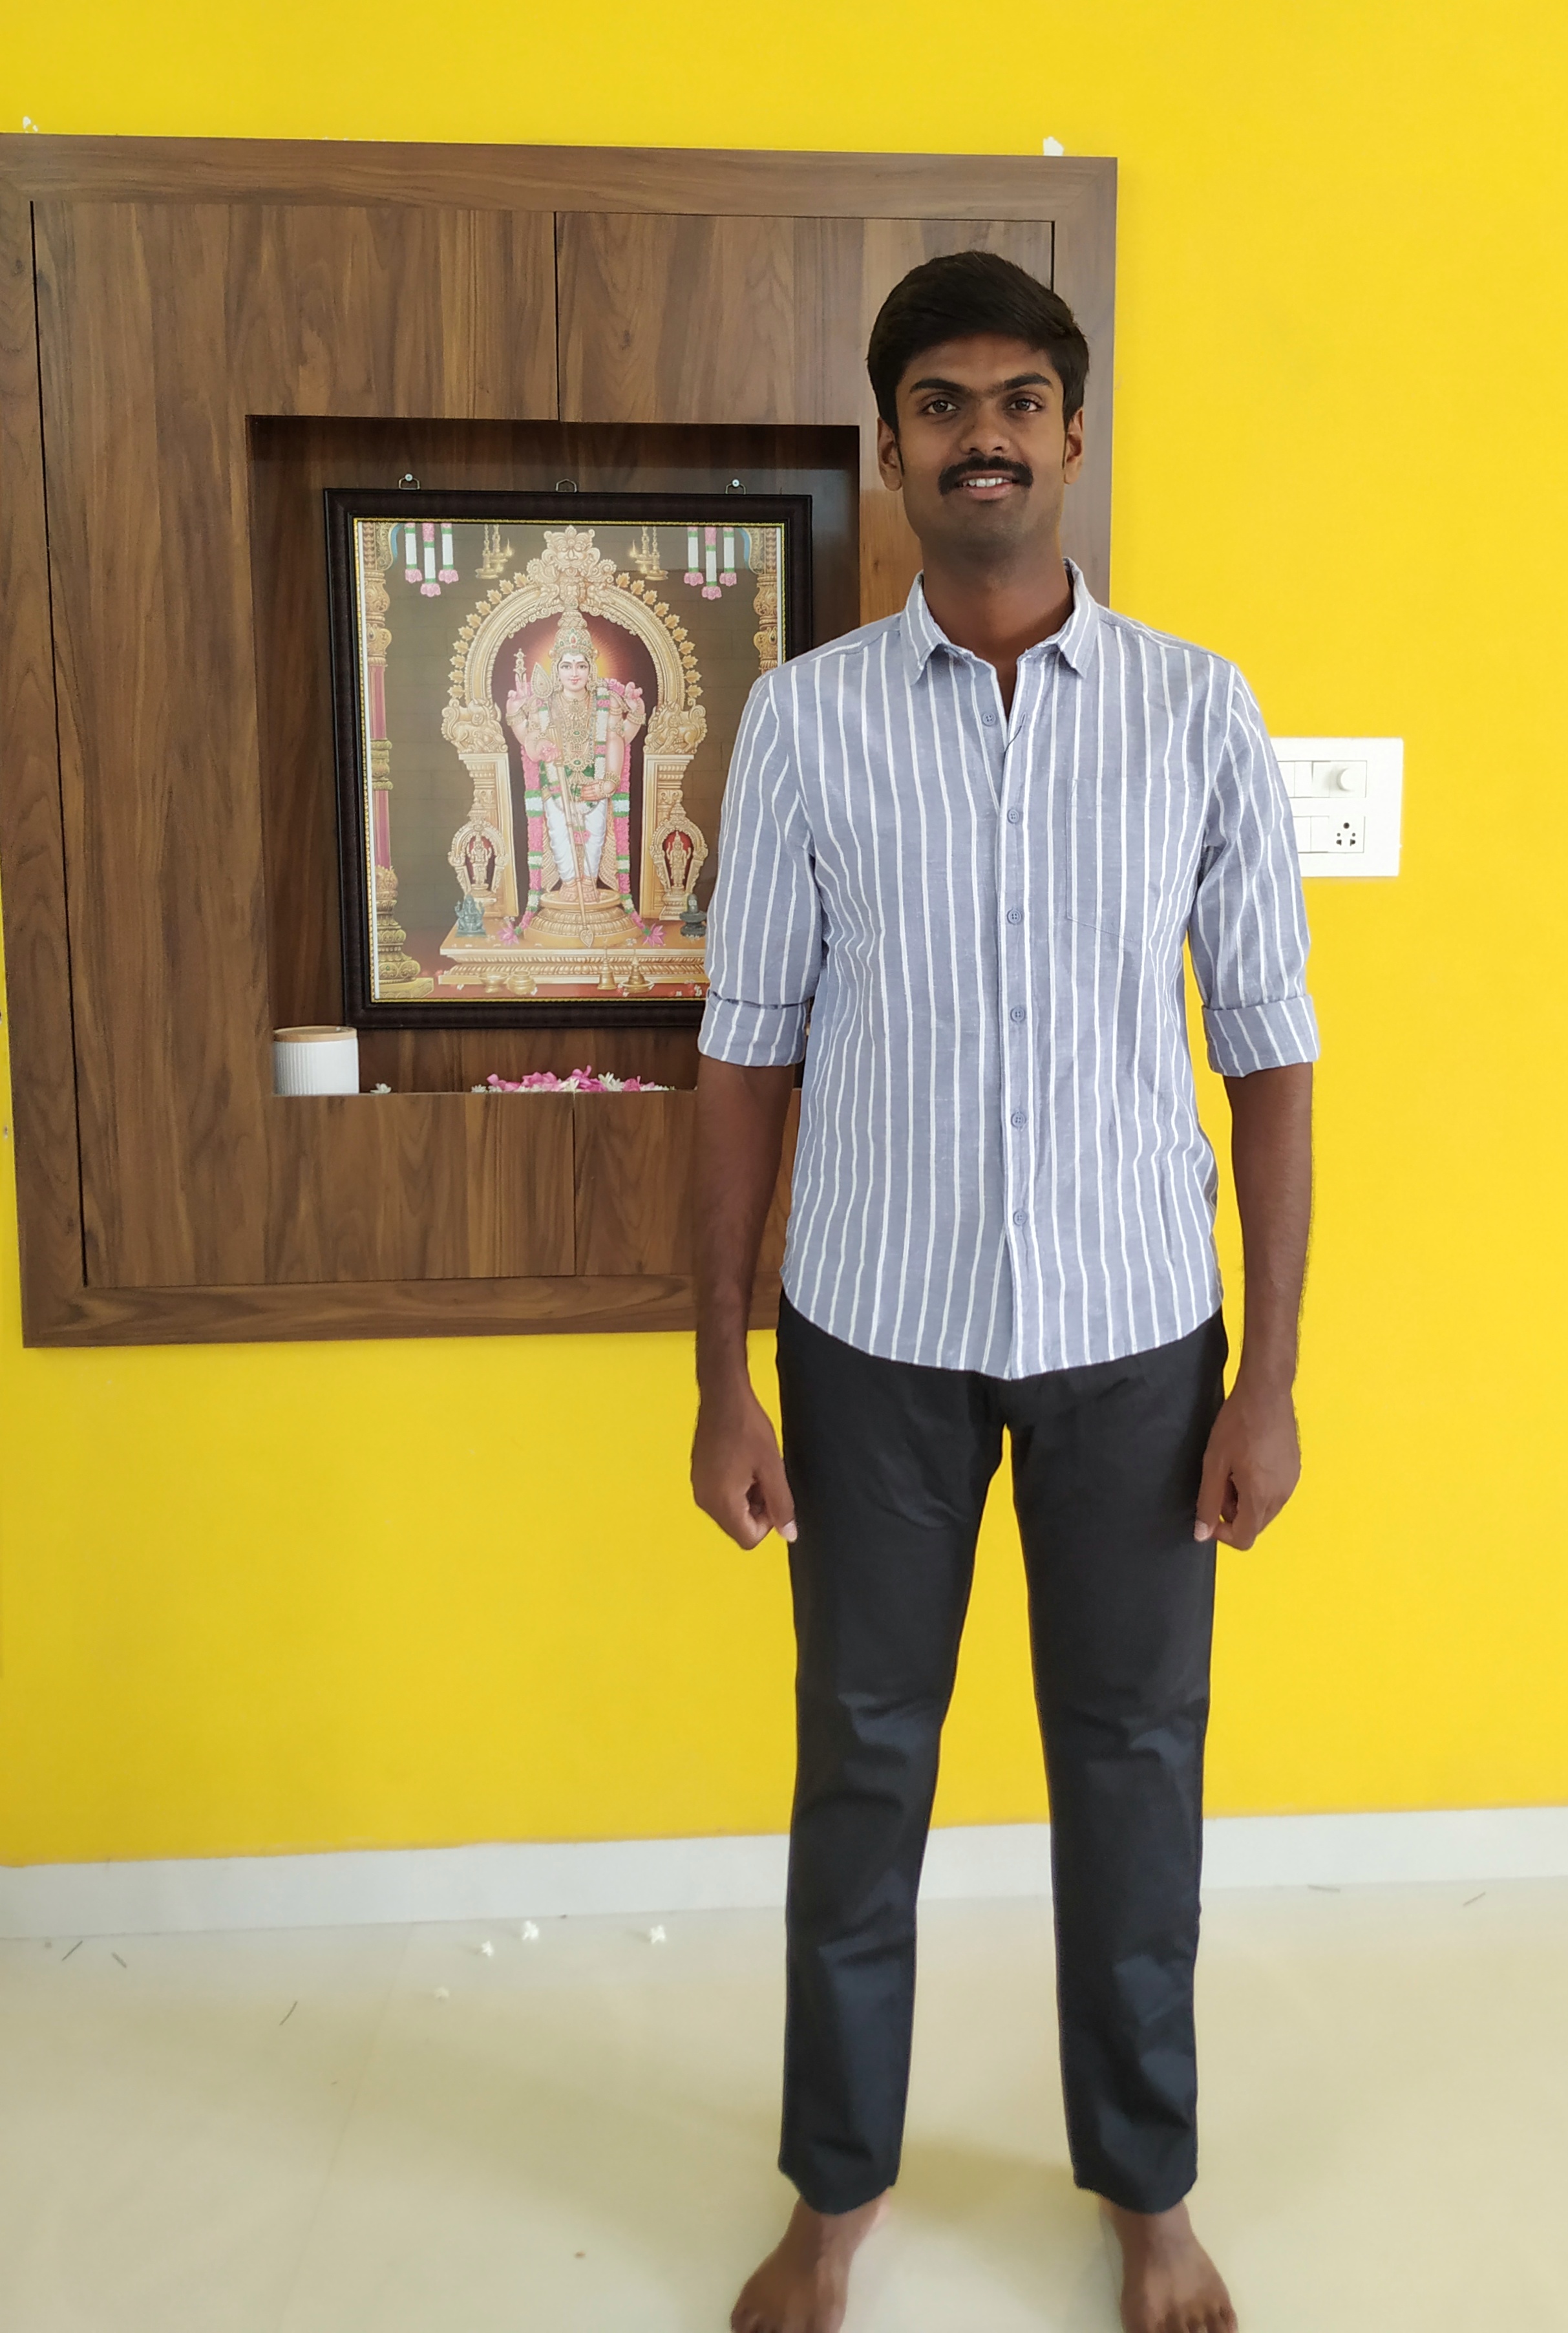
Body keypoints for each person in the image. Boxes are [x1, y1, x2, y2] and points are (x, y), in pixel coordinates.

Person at [690, 250, 1317, 2333]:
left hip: (1138, 1348)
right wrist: (721, 1376)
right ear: (892, 452)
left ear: (1071, 432)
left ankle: (1147, 2190)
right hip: (868, 1343)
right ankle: (834, 2194)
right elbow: (744, 1053)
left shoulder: (1196, 710)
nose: (982, 436)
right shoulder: (803, 723)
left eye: (1017, 399)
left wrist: (1268, 1379)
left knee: (1133, 1763)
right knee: (859, 1765)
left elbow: (1269, 1054)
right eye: (940, 404)